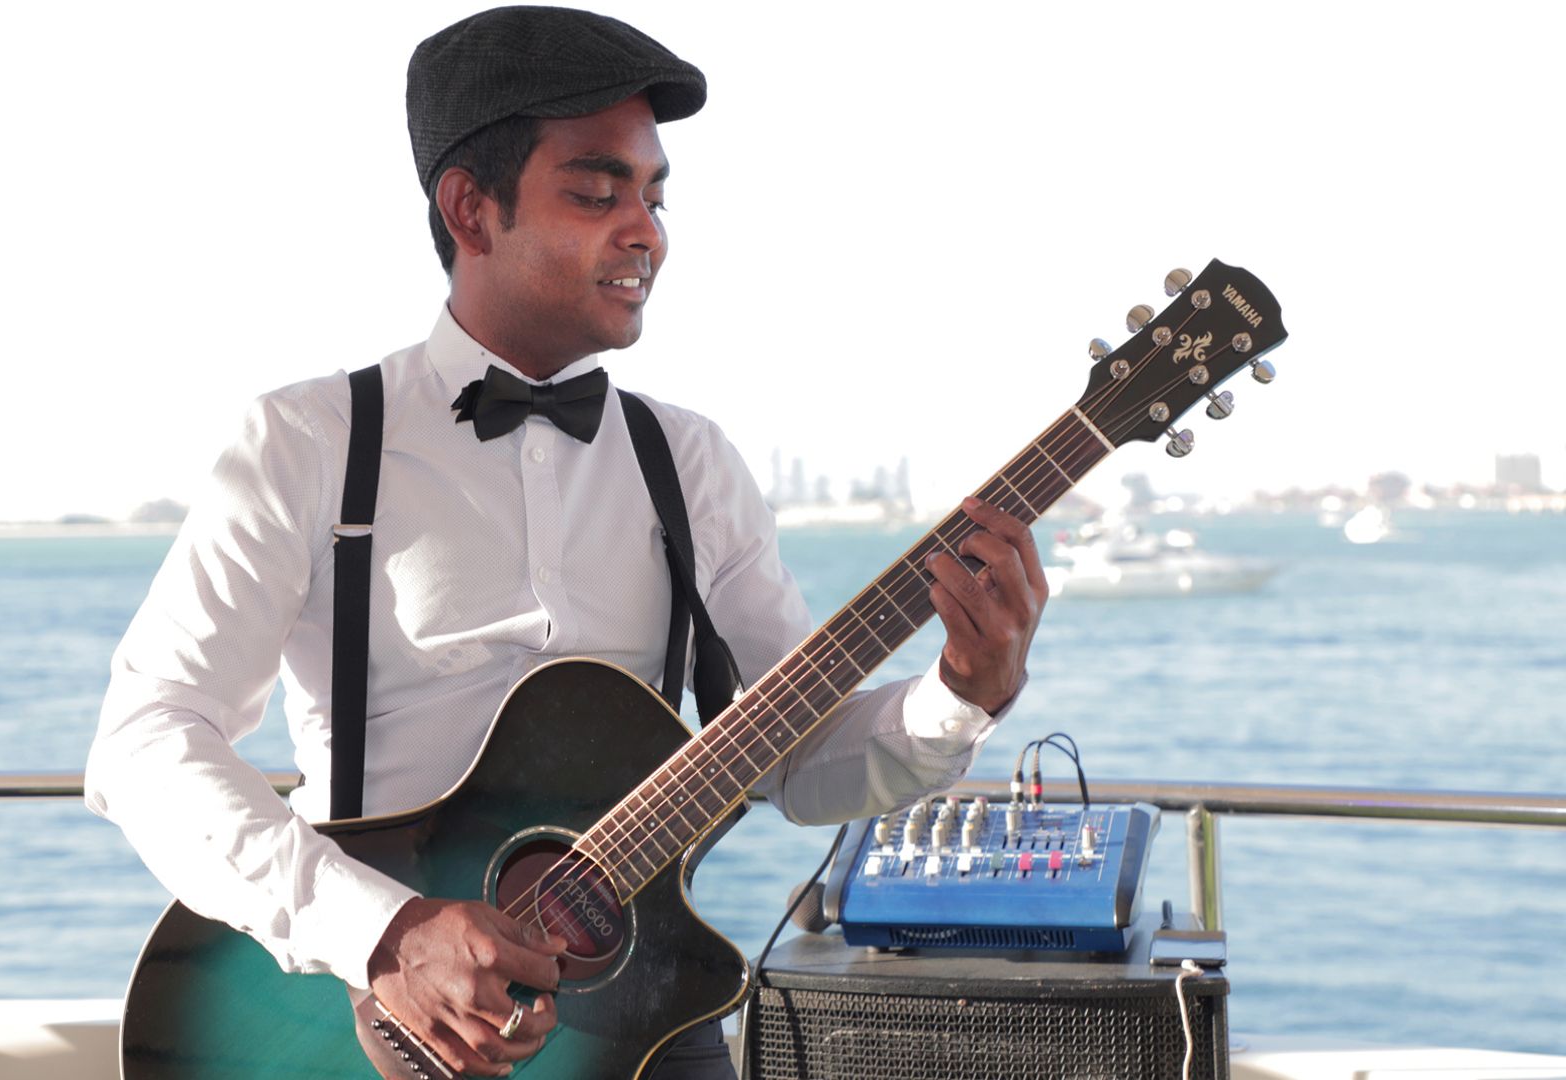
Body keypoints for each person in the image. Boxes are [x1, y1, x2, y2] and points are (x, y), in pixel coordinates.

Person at [85, 7, 1047, 1078]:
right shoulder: (308, 442)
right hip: (368, 1028)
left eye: (655, 197)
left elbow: (800, 760)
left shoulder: (692, 462)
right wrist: (385, 936)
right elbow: (144, 739)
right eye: (597, 194)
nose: (646, 232)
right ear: (471, 208)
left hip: (643, 1024)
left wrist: (962, 692)